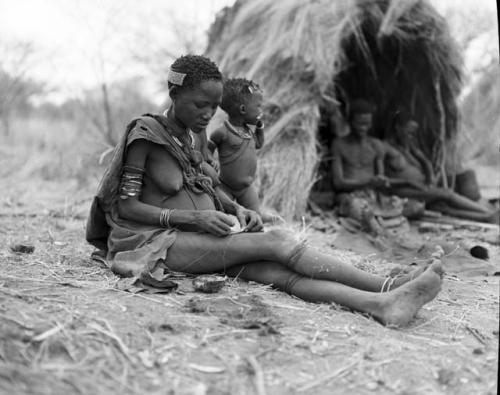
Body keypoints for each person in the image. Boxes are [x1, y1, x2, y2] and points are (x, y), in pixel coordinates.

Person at [86, 55, 443, 327]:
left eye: (214, 106)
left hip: (195, 238)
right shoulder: (146, 135)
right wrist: (192, 216)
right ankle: (386, 284)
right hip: (155, 241)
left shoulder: (194, 135)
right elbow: (127, 207)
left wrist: (234, 207)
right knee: (278, 242)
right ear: (174, 93)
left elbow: (204, 184)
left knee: (279, 274)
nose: (208, 114)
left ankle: (384, 305)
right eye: (199, 104)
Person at [384, 111, 498, 223]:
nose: (411, 136)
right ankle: (486, 212)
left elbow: (426, 163)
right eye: (408, 131)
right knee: (446, 193)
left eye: (413, 132)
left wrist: (429, 177)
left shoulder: (409, 147)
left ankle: (487, 216)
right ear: (397, 128)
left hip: (422, 187)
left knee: (442, 207)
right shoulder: (384, 147)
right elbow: (383, 180)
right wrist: (408, 183)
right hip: (404, 190)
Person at [331, 99, 409, 235]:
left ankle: (378, 224)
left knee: (411, 206)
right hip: (348, 195)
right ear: (349, 121)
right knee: (359, 208)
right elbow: (338, 183)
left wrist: (381, 181)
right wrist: (367, 182)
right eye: (359, 123)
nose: (363, 128)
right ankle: (381, 234)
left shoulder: (376, 145)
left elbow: (381, 179)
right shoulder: (339, 144)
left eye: (366, 124)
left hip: (373, 195)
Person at [208, 78, 278, 223]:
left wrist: (260, 129)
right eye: (258, 107)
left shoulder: (249, 132)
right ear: (243, 110)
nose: (261, 111)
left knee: (255, 214)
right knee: (220, 211)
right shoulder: (223, 132)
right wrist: (208, 160)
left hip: (247, 187)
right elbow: (208, 147)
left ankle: (257, 216)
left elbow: (258, 144)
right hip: (225, 185)